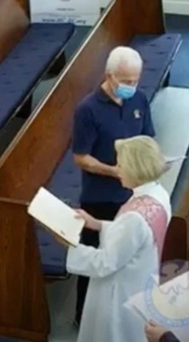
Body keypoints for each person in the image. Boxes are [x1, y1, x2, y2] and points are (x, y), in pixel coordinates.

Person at [72, 46, 156, 325]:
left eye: (136, 80)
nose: (132, 86)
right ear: (110, 76)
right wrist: (114, 171)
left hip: (133, 193)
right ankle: (82, 315)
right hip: (100, 196)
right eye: (126, 81)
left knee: (125, 257)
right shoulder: (88, 109)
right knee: (95, 258)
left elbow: (147, 140)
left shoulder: (140, 100)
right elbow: (80, 157)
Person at [63, 136, 171, 342]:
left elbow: (104, 263)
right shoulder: (158, 194)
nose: (117, 170)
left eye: (121, 165)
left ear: (135, 169)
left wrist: (68, 245)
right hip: (140, 281)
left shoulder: (133, 217)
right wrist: (97, 223)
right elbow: (135, 239)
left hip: (118, 295)